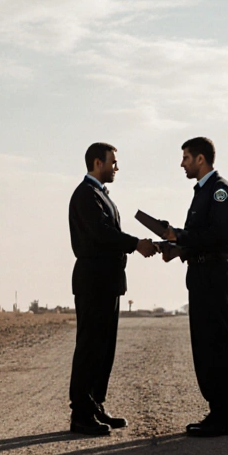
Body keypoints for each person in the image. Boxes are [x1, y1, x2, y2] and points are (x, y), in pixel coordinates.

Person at [67, 142, 157, 435]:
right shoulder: (85, 195)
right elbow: (102, 234)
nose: (116, 167)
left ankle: (96, 405)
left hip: (107, 282)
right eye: (113, 162)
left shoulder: (101, 196)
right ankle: (81, 413)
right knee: (90, 348)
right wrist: (136, 244)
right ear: (97, 163)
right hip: (93, 281)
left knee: (105, 349)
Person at [164, 136, 228, 437]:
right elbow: (201, 235)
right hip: (200, 271)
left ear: (200, 159)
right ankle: (216, 412)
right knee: (204, 345)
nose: (182, 163)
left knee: (216, 345)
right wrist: (176, 246)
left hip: (213, 272)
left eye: (185, 157)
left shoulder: (219, 190)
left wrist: (180, 237)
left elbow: (220, 236)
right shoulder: (202, 191)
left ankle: (223, 418)